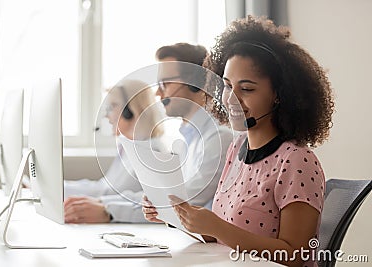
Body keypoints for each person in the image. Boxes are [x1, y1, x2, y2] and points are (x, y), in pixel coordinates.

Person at [143, 16, 334, 267]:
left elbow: (294, 256)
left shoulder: (297, 160)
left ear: (279, 95)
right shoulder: (236, 149)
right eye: (226, 86)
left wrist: (217, 228)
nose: (231, 99)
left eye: (247, 89)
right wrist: (178, 216)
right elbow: (226, 236)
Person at [64, 79, 166, 223]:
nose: (107, 116)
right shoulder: (129, 147)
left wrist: (57, 189)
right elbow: (103, 187)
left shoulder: (152, 151)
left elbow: (109, 192)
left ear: (130, 110)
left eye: (112, 106)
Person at [153, 43, 232, 208]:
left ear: (194, 83)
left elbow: (181, 202)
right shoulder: (186, 140)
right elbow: (165, 193)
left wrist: (110, 211)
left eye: (164, 84)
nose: (158, 93)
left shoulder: (218, 139)